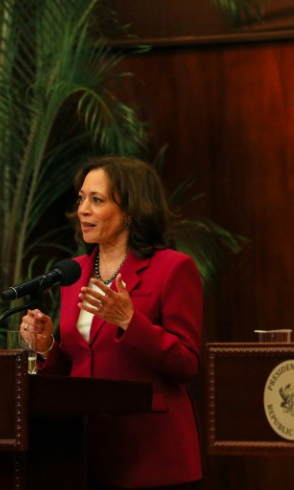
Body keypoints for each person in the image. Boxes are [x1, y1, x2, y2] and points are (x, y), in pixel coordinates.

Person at [20, 156, 203, 489]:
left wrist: (130, 322)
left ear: (131, 211)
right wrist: (47, 346)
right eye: (81, 199)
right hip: (84, 456)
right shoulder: (73, 273)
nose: (83, 210)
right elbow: (79, 364)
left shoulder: (173, 269)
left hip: (152, 456)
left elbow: (187, 364)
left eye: (97, 200)